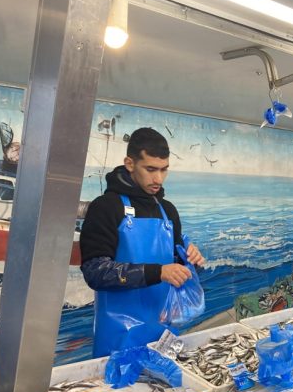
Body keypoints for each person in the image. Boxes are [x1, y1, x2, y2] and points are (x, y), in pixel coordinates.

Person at [80, 127, 206, 357]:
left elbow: (175, 265)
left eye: (164, 170)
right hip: (118, 341)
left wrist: (189, 261)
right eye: (150, 169)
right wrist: (158, 272)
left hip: (163, 335)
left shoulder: (167, 211)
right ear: (130, 163)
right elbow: (95, 271)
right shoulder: (106, 208)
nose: (158, 178)